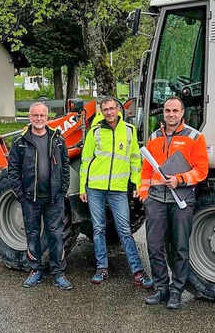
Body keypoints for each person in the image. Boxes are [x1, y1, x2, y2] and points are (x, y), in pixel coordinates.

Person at [138, 96, 209, 309]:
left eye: (174, 111)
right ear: (163, 113)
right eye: (167, 110)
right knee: (154, 246)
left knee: (179, 247)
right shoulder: (154, 137)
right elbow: (146, 170)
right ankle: (162, 288)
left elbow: (201, 169)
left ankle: (176, 291)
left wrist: (179, 179)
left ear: (182, 113)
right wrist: (144, 195)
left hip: (182, 200)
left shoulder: (195, 137)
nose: (170, 114)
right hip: (156, 199)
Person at [79, 96, 153, 288]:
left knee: (124, 230)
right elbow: (86, 160)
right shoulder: (94, 131)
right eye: (106, 109)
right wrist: (82, 188)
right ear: (101, 112)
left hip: (119, 189)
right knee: (98, 229)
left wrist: (136, 183)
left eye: (112, 108)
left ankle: (137, 272)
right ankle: (101, 269)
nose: (110, 112)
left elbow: (135, 159)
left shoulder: (129, 131)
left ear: (118, 110)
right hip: (95, 188)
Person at [7, 101, 73, 290]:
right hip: (30, 199)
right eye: (35, 115)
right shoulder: (20, 142)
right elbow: (13, 171)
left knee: (56, 235)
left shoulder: (57, 139)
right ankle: (35, 270)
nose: (39, 119)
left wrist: (62, 191)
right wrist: (21, 195)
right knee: (33, 235)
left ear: (47, 117)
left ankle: (58, 272)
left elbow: (65, 166)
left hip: (54, 199)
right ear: (30, 117)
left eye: (42, 115)